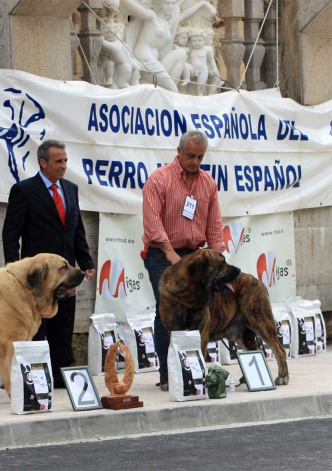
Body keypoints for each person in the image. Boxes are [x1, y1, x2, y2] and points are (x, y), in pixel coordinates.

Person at [2, 140, 96, 387]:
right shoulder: (24, 190)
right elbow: (10, 235)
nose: (64, 166)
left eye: (65, 160)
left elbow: (76, 230)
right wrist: (14, 271)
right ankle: (35, 378)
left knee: (64, 325)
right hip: (39, 277)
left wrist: (85, 261)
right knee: (38, 326)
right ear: (43, 163)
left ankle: (62, 377)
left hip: (66, 274)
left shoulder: (71, 189)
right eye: (58, 161)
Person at [141, 130, 224, 390]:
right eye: (191, 156)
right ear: (178, 151)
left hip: (194, 256)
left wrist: (217, 255)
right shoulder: (159, 180)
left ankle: (192, 368)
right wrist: (169, 253)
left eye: (200, 157)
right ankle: (167, 374)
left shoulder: (208, 183)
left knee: (199, 311)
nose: (195, 162)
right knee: (167, 312)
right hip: (163, 254)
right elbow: (152, 222)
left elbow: (214, 224)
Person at [120, 0, 216, 92]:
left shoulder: (170, 22)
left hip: (156, 61)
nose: (170, 7)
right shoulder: (152, 17)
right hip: (145, 61)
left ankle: (157, 87)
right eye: (167, 3)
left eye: (173, 3)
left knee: (181, 53)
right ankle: (161, 88)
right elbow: (131, 5)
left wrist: (203, 3)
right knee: (172, 90)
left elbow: (186, 14)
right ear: (160, 4)